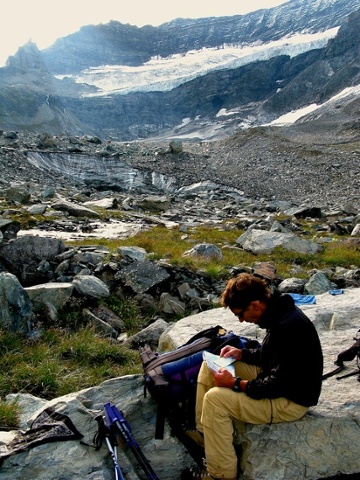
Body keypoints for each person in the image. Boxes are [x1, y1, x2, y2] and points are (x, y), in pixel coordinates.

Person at [181, 272, 323, 480]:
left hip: (290, 401)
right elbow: (272, 357)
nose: (240, 320)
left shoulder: (288, 328)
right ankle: (206, 434)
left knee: (215, 400)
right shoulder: (279, 314)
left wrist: (236, 384)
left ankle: (220, 474)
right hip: (279, 384)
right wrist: (242, 354)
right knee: (209, 365)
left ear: (255, 305)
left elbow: (276, 385)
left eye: (240, 314)